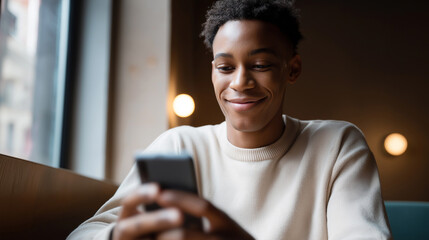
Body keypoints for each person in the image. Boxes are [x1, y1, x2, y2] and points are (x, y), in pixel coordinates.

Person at [68, 0, 392, 239]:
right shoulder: (180, 146)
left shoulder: (336, 145)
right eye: (225, 67)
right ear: (213, 72)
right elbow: (83, 234)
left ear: (292, 69)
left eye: (261, 65)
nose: (240, 83)